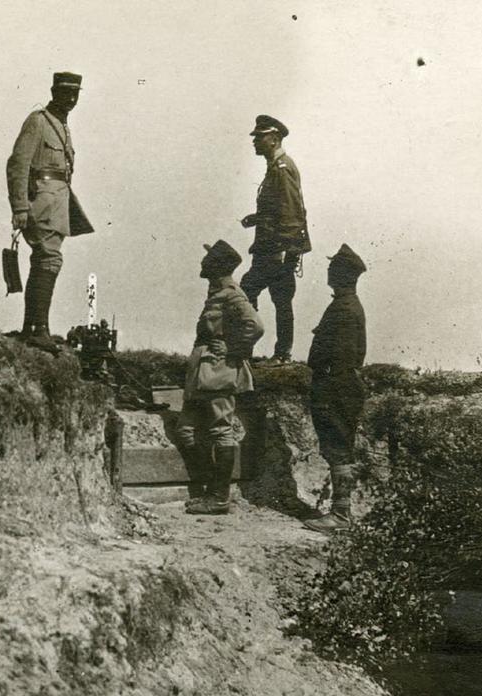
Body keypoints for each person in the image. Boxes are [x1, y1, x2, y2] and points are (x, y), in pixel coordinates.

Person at [6, 72, 93, 352]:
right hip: (41, 202)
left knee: (46, 259)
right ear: (53, 92)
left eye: (75, 94)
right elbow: (18, 165)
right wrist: (19, 206)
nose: (70, 99)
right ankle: (37, 328)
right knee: (49, 258)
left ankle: (35, 326)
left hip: (57, 203)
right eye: (65, 93)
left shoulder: (62, 126)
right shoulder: (38, 121)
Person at [177, 240, 264, 515]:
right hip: (203, 371)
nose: (203, 263)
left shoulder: (231, 294)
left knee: (220, 430)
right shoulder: (217, 293)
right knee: (186, 430)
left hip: (218, 371)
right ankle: (208, 490)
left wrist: (234, 348)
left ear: (217, 266)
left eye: (208, 259)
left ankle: (219, 497)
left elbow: (256, 325)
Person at [303, 243, 368, 534]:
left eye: (332, 268)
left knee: (338, 448)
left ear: (340, 274)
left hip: (335, 386)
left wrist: (324, 380)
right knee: (340, 448)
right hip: (342, 385)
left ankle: (341, 516)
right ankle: (341, 512)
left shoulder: (343, 308)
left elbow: (339, 355)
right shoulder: (348, 305)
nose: (328, 271)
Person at [239, 115, 310, 365]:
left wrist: (285, 253)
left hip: (274, 250)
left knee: (248, 292)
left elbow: (291, 212)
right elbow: (279, 209)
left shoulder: (282, 169)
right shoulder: (276, 167)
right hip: (271, 248)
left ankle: (258, 352)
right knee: (279, 299)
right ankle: (280, 353)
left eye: (260, 137)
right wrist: (257, 218)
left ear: (274, 139)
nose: (255, 141)